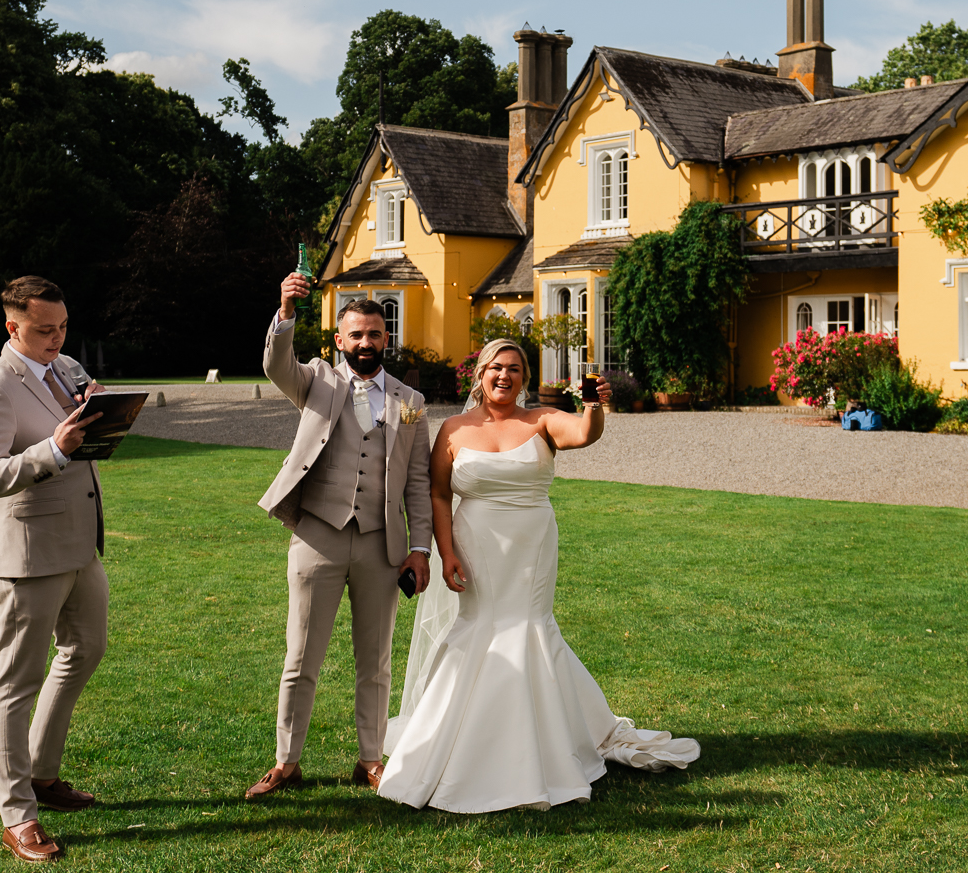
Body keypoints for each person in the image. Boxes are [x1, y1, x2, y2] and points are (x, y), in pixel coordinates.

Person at [376, 339, 699, 812]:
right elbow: (439, 495)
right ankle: (457, 742)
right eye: (496, 368)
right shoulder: (453, 429)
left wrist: (594, 406)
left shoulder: (543, 421)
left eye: (514, 369)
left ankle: (547, 743)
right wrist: (446, 553)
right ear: (480, 374)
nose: (504, 376)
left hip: (532, 545)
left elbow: (585, 433)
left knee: (530, 626)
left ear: (525, 377)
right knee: (481, 625)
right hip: (476, 542)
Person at [246, 275, 433, 799]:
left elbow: (417, 483)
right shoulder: (315, 382)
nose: (366, 343)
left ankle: (371, 759)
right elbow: (274, 365)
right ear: (338, 341)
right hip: (317, 538)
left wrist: (419, 548)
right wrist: (285, 309)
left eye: (375, 334)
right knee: (301, 656)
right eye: (356, 335)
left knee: (374, 660)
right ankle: (287, 762)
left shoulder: (411, 400)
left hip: (381, 545)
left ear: (385, 339)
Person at [0, 275, 109, 863]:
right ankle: (17, 816)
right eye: (45, 330)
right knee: (15, 684)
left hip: (80, 545)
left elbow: (79, 428)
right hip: (27, 555)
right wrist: (54, 449)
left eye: (63, 326)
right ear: (11, 327)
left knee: (86, 649)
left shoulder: (67, 367)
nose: (57, 339)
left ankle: (44, 775)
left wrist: (99, 414)